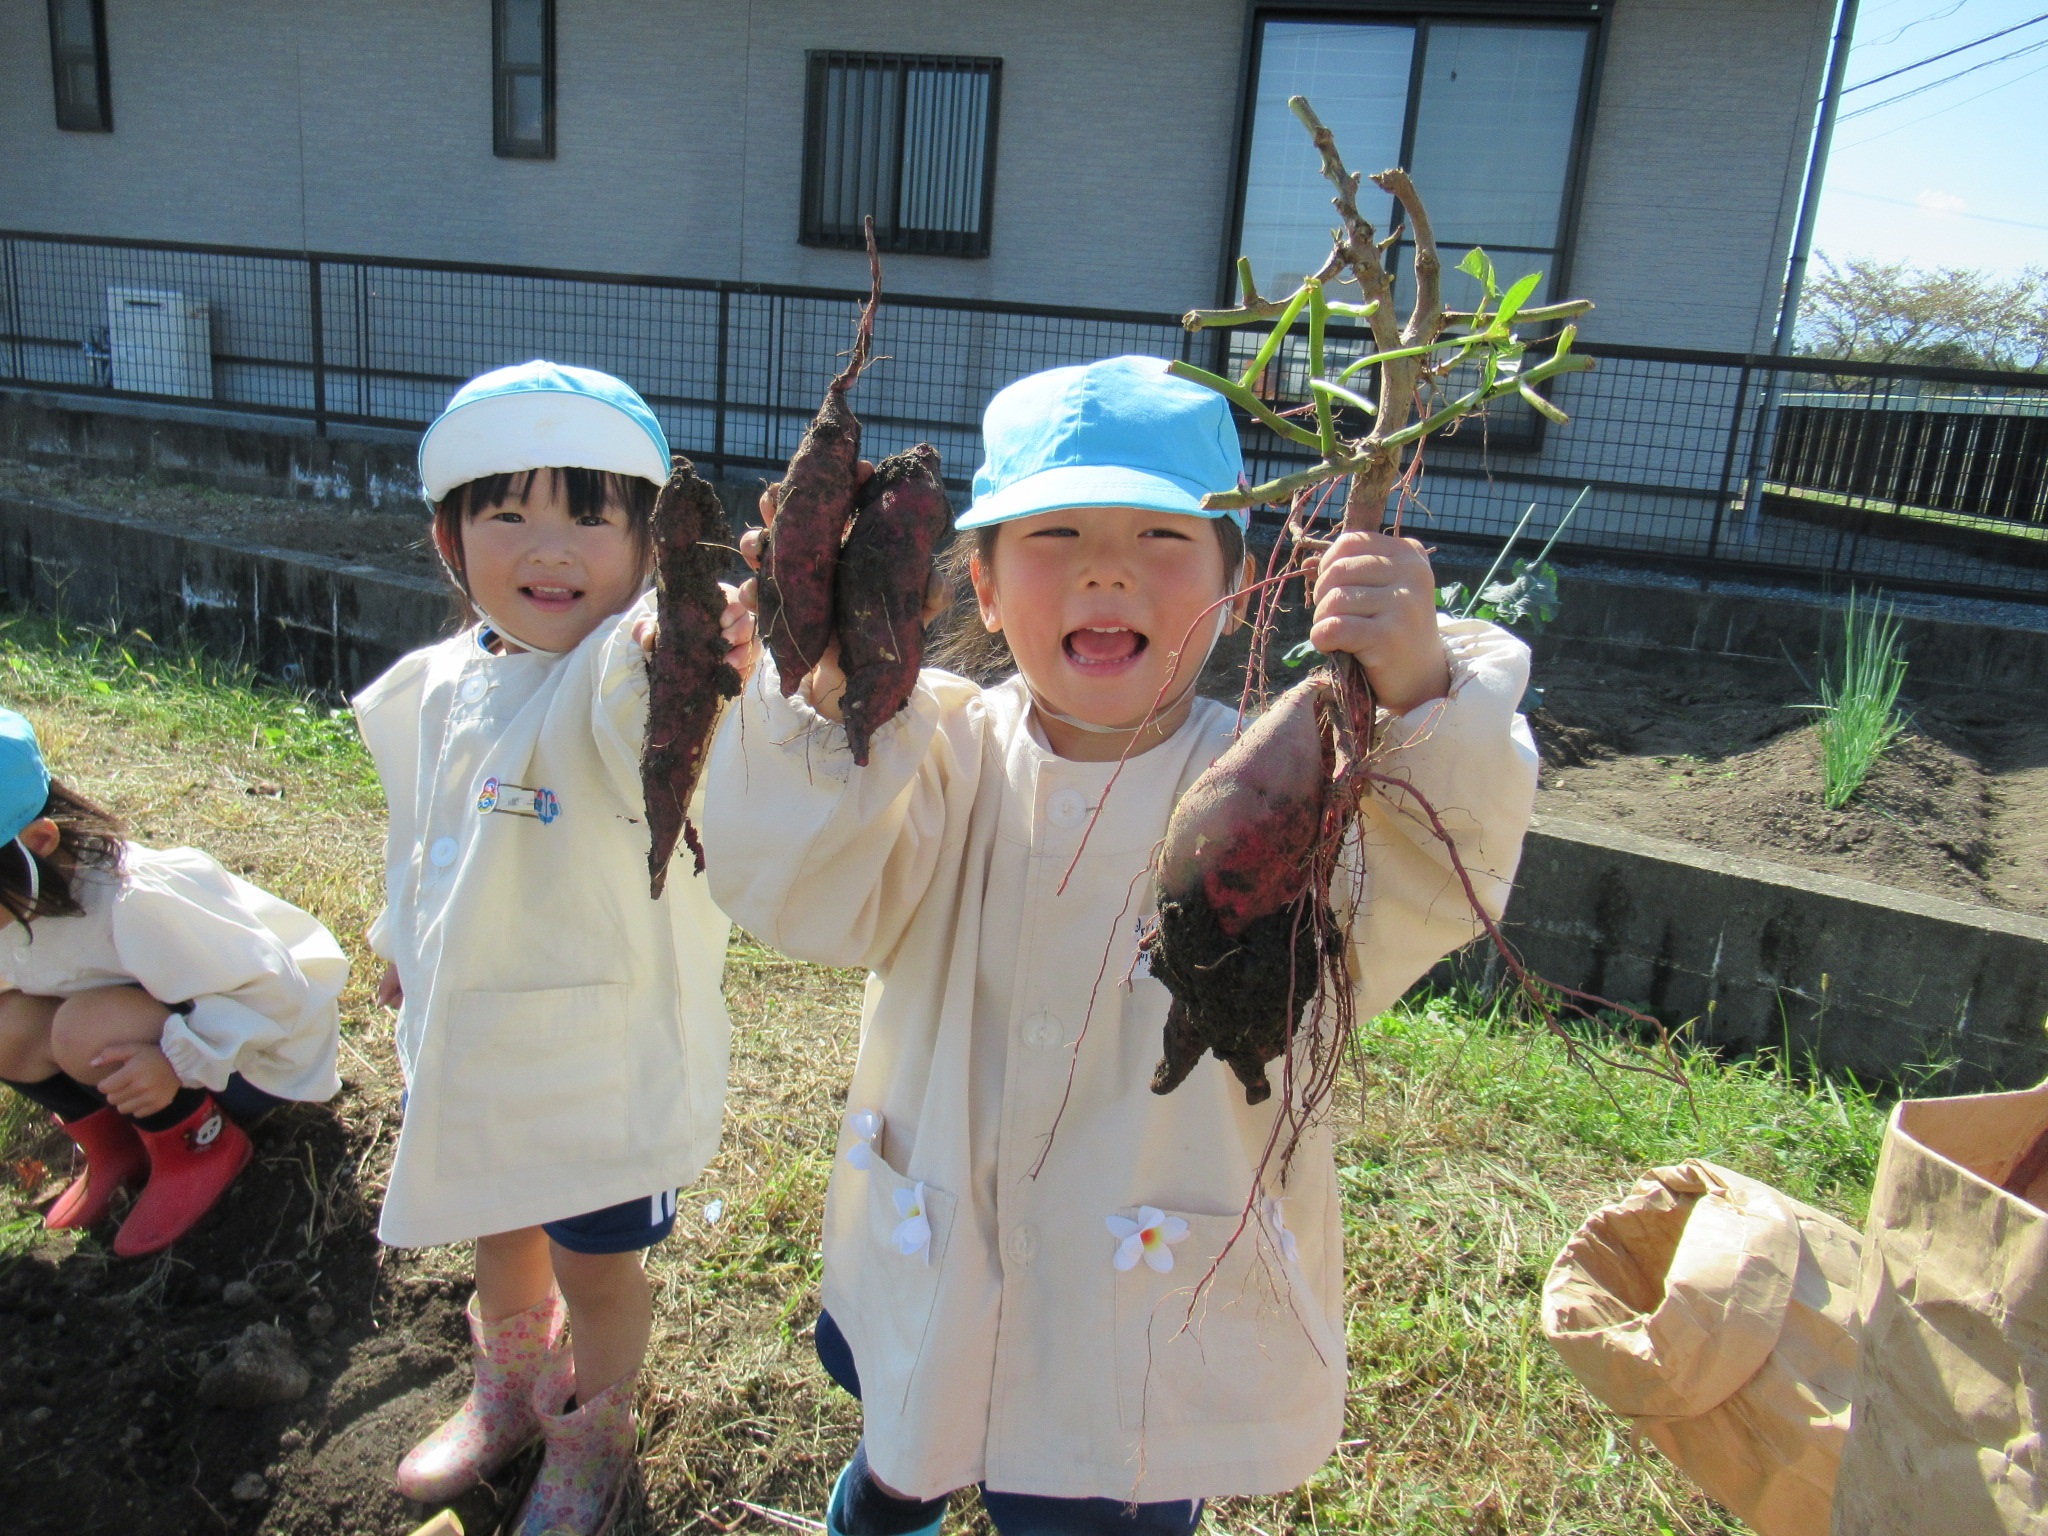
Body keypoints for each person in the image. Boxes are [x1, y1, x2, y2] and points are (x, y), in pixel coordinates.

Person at [701, 356, 1540, 1536]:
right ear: (981, 590)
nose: (1106, 567)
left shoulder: (1285, 781)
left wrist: (1416, 696)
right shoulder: (933, 753)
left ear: (1240, 585)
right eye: (1052, 536)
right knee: (903, 1455)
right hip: (941, 1217)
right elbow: (812, 886)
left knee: (1105, 1495)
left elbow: (1414, 877)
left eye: (1159, 533)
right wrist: (827, 682)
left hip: (1144, 1265)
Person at [356, 360, 750, 1535]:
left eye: (590, 514)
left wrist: (696, 635)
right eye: (506, 511)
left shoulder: (624, 677)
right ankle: (509, 1392)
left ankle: (593, 1429)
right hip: (475, 1033)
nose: (550, 546)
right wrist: (396, 940)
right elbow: (417, 834)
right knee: (500, 1222)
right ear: (448, 539)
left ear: (646, 548)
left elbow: (642, 697)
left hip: (600, 1052)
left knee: (595, 1262)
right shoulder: (439, 686)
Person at [0, 707, 347, 1257]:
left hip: (254, 1052)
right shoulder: (14, 904)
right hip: (149, 1038)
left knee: (80, 1028)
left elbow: (274, 992)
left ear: (39, 841)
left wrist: (175, 1060)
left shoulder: (137, 901)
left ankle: (197, 1146)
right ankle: (120, 1147)